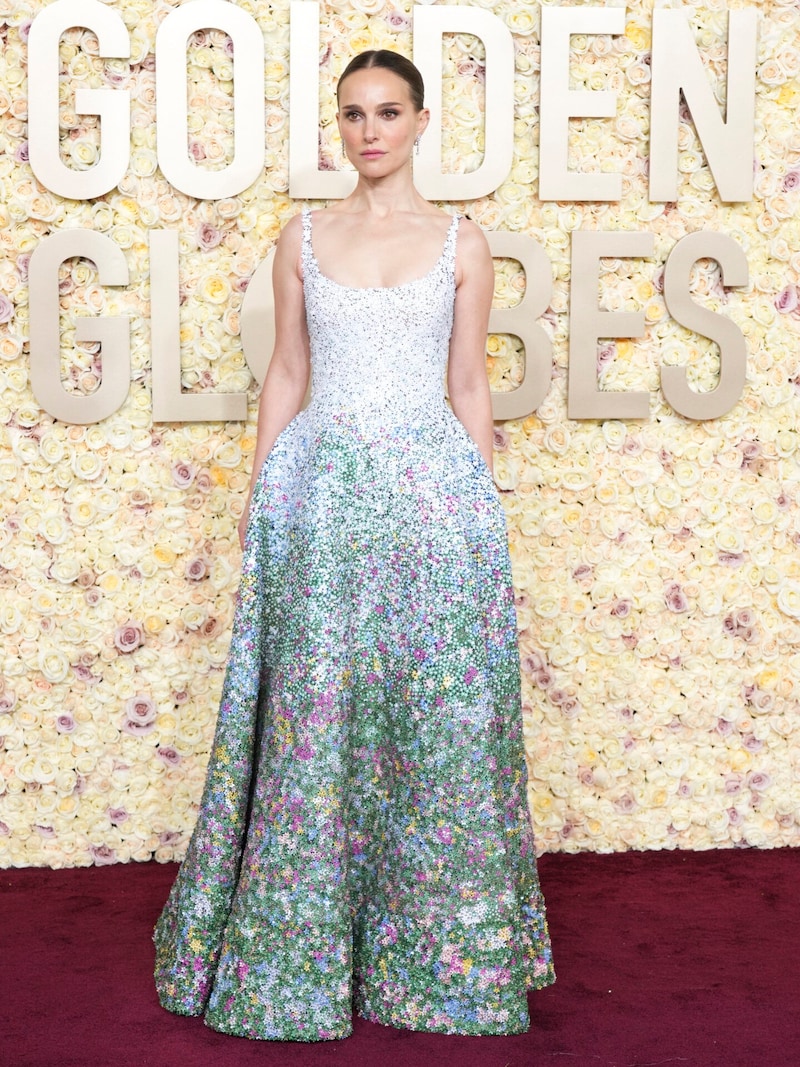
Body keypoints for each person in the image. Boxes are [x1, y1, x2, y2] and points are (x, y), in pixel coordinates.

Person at [154, 48, 554, 1041]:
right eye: (350, 114)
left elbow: (468, 385)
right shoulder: (300, 238)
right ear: (338, 129)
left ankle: (433, 955)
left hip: (430, 501)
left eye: (386, 112)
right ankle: (303, 945)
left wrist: (482, 500)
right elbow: (286, 372)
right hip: (320, 500)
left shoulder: (463, 242)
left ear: (420, 123)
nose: (368, 130)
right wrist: (261, 498)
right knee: (313, 717)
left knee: (433, 716)